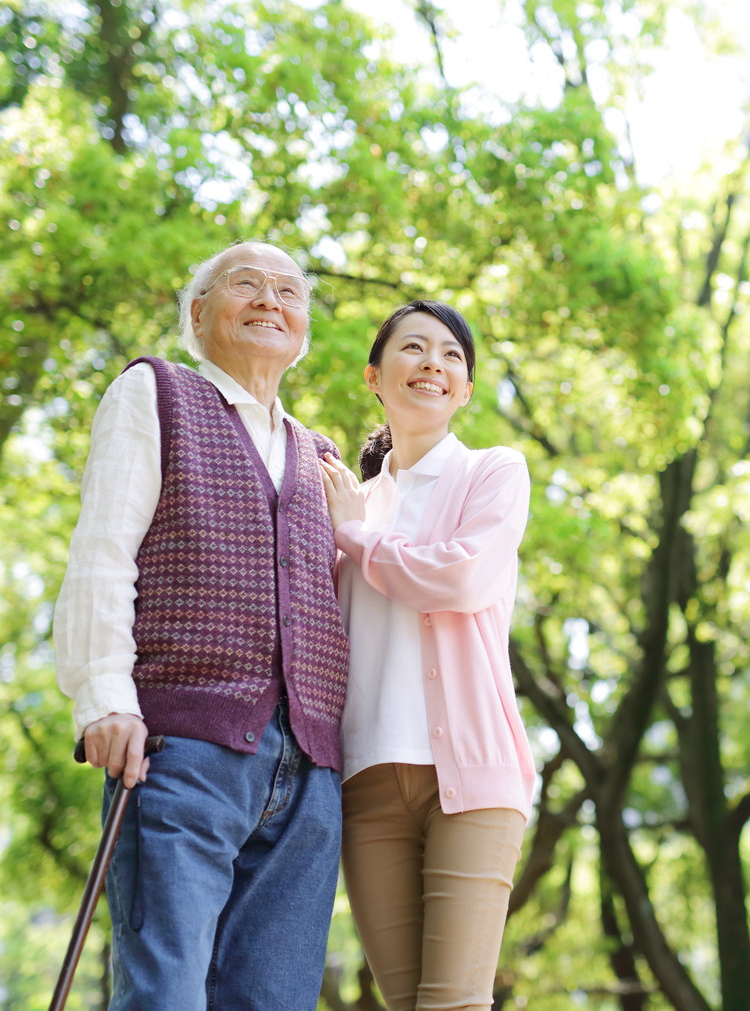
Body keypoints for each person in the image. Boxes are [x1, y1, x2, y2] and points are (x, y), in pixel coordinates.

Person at [52, 241, 349, 1010]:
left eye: (288, 290)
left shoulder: (320, 455)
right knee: (166, 995)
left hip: (311, 775)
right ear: (198, 312)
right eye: (244, 284)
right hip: (181, 749)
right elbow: (104, 548)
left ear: (305, 330)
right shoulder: (156, 393)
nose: (269, 300)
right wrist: (103, 695)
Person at [317, 300, 536, 1010]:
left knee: (450, 1005)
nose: (433, 365)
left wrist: (355, 538)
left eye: (452, 356)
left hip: (471, 781)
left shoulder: (491, 474)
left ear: (465, 390)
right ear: (375, 376)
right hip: (367, 785)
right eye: (414, 349)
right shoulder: (348, 501)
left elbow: (460, 577)